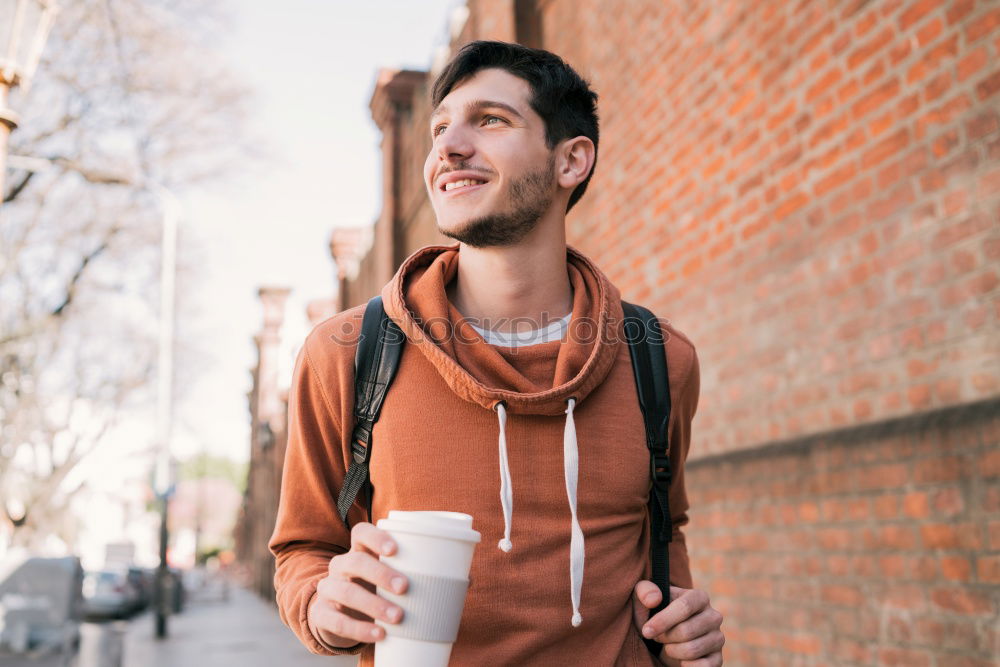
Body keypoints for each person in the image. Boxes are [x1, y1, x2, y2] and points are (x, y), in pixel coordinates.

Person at [269, 40, 725, 666]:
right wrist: (322, 606)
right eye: (439, 127)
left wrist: (683, 628)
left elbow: (662, 533)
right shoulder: (347, 354)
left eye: (489, 120)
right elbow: (304, 546)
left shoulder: (659, 359)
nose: (448, 147)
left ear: (572, 161)